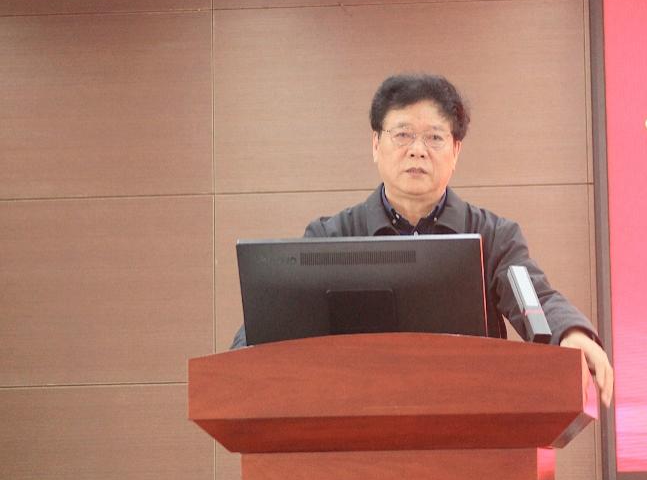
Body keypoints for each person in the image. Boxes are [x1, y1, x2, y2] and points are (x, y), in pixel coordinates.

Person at [231, 74, 613, 406]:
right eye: (402, 135)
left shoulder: (494, 236)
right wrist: (239, 360)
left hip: (472, 424)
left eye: (434, 137)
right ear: (375, 145)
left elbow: (535, 297)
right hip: (357, 426)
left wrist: (571, 332)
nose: (417, 150)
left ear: (456, 150)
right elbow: (281, 318)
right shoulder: (331, 237)